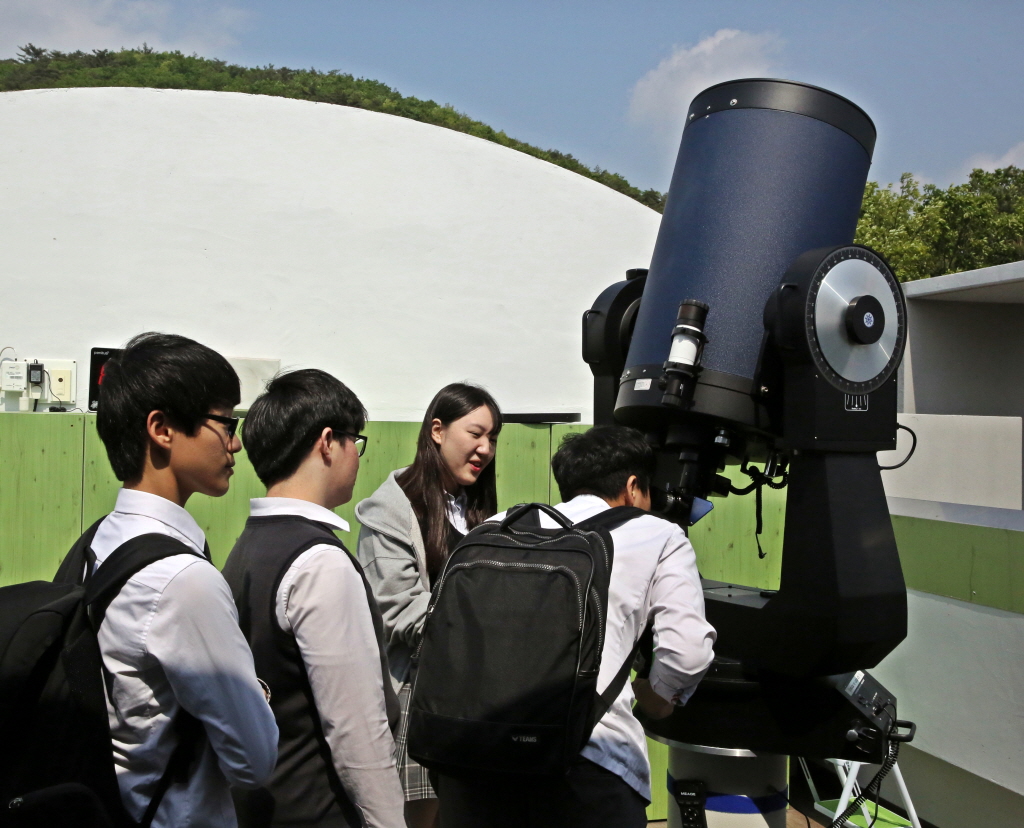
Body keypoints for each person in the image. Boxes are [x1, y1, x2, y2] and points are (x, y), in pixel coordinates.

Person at [435, 425, 716, 828]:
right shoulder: (659, 534)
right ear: (634, 486)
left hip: (473, 762)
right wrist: (659, 696)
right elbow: (687, 651)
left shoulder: (495, 528)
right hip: (590, 767)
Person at [66, 332, 279, 827]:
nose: (237, 441)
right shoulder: (182, 581)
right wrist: (256, 694)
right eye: (225, 421)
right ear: (161, 429)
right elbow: (255, 759)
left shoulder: (98, 543)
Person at [222, 369, 404, 828]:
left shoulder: (250, 546)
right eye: (355, 442)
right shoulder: (319, 561)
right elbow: (357, 730)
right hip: (318, 810)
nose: (357, 457)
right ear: (328, 442)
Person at [355, 383, 502, 828]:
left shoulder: (474, 506)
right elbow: (398, 610)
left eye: (493, 438)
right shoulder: (391, 509)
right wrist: (487, 627)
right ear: (437, 431)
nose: (485, 448)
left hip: (472, 690)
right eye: (475, 433)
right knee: (418, 817)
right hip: (416, 690)